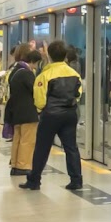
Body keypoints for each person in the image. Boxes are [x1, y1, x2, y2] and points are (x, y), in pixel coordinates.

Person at [24, 41, 84, 191]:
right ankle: (76, 180)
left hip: (50, 115)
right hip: (70, 114)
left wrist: (43, 110)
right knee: (71, 148)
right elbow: (78, 94)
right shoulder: (74, 74)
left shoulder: (44, 75)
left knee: (42, 148)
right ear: (65, 56)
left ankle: (34, 180)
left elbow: (39, 100)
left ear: (48, 55)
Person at [5, 45, 40, 180]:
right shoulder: (26, 73)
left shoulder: (14, 70)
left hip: (16, 110)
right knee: (28, 140)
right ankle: (23, 166)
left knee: (17, 139)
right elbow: (35, 90)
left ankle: (14, 164)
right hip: (27, 111)